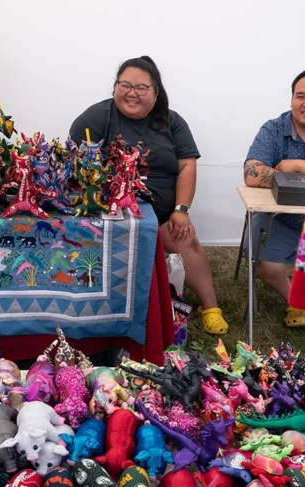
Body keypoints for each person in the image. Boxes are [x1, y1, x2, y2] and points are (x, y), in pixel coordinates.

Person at [69, 56, 229, 335]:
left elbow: (186, 165)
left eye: (141, 87)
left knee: (183, 236)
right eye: (125, 84)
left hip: (163, 213)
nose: (131, 92)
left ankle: (210, 307)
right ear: (115, 86)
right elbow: (77, 165)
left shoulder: (172, 122)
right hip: (109, 214)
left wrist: (181, 209)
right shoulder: (95, 118)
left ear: (156, 92)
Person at [243, 69, 305, 328]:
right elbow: (252, 173)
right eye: (300, 96)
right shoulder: (273, 128)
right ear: (291, 100)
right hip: (277, 220)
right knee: (267, 266)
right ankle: (297, 299)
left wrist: (303, 168)